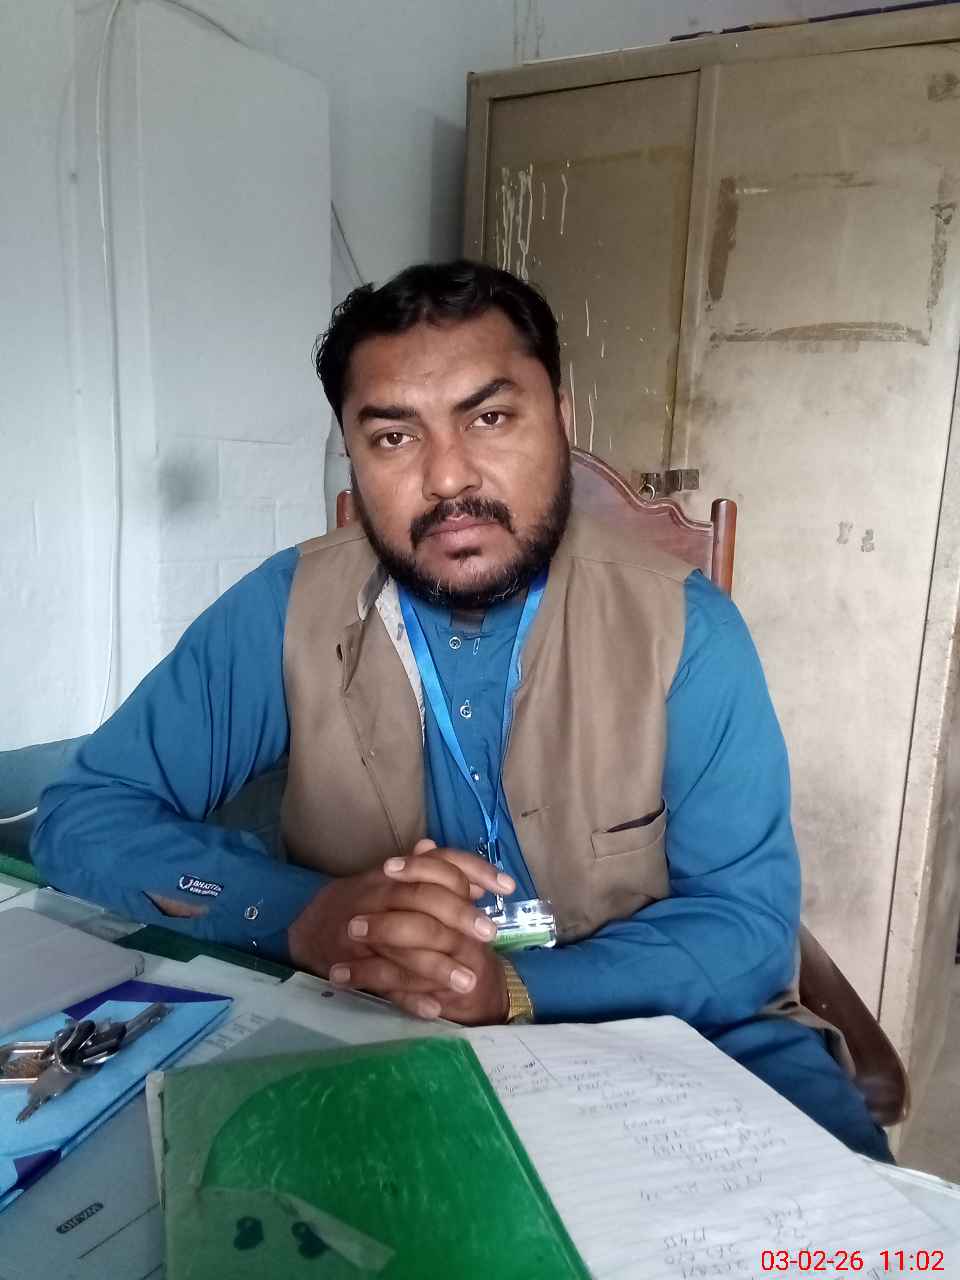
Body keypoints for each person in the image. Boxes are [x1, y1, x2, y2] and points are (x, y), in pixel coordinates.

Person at [32, 260, 890, 1160]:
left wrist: (510, 989)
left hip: (683, 1038)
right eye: (393, 437)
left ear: (560, 422)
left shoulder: (686, 630)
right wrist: (304, 915)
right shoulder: (284, 609)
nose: (448, 478)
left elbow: (746, 931)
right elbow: (84, 817)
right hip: (381, 1039)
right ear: (354, 460)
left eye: (490, 418)